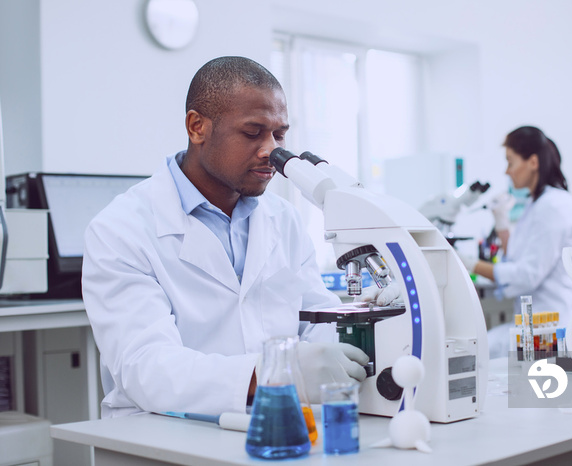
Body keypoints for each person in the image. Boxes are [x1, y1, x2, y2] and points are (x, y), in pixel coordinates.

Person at [82, 56, 370, 418]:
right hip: (163, 433)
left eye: (279, 134)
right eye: (253, 133)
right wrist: (275, 373)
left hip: (278, 424)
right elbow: (148, 369)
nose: (272, 151)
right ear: (197, 127)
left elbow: (316, 322)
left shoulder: (285, 220)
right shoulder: (120, 229)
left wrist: (355, 332)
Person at [460, 126, 572, 356]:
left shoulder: (553, 206)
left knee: (478, 350)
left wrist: (468, 264)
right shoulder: (537, 204)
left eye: (511, 162)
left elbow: (528, 274)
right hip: (538, 323)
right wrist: (502, 226)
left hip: (554, 328)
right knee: (482, 346)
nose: (507, 171)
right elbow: (516, 258)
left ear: (533, 162)